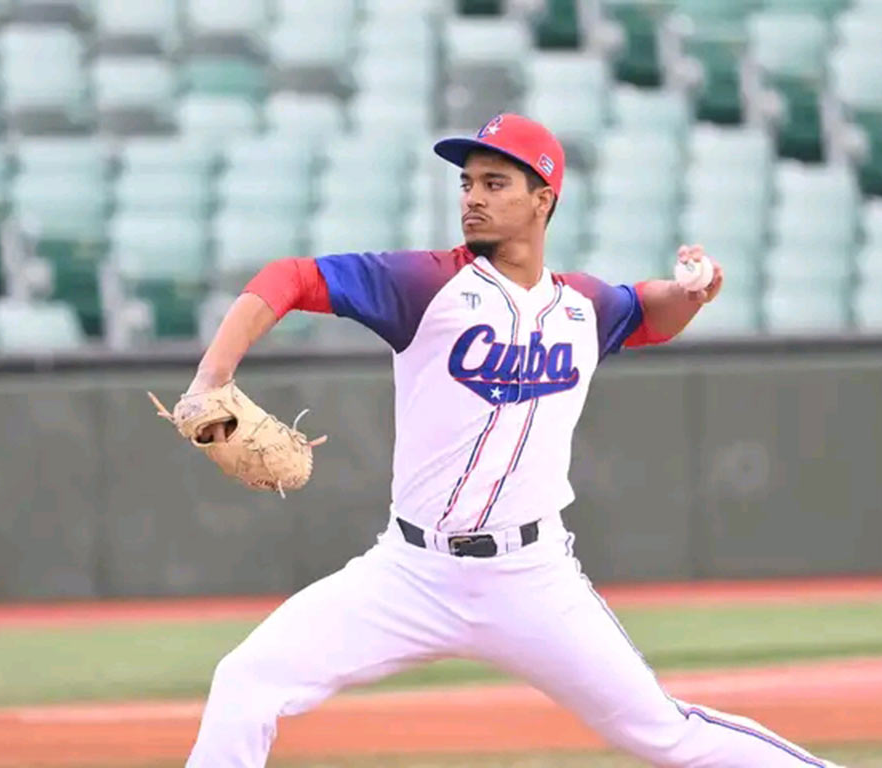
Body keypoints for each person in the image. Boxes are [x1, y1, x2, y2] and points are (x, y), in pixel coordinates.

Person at [184, 114, 840, 768]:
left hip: (530, 577)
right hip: (410, 572)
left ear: (542, 199)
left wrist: (691, 293)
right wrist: (212, 376)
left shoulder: (582, 306)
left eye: (495, 183)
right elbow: (291, 276)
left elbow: (647, 310)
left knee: (663, 732)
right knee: (247, 679)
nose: (473, 197)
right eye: (467, 183)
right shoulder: (425, 284)